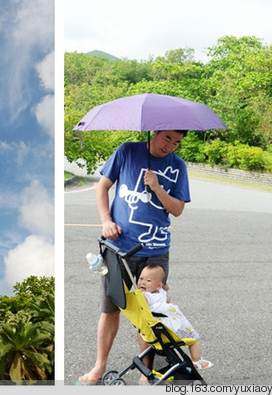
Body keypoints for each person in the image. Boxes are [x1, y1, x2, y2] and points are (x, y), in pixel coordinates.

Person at [77, 130, 191, 386]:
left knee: (148, 315)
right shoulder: (127, 151)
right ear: (156, 131)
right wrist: (106, 221)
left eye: (177, 143)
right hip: (119, 247)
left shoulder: (178, 166)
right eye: (167, 138)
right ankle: (99, 365)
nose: (170, 146)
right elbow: (103, 186)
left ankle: (145, 373)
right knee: (110, 309)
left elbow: (178, 209)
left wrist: (157, 188)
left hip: (156, 251)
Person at [137, 264, 212, 370]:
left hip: (164, 329)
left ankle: (196, 361)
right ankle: (196, 360)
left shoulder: (156, 293)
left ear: (158, 286)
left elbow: (166, 294)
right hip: (168, 330)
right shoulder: (146, 296)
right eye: (141, 278)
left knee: (193, 339)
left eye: (148, 280)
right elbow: (162, 293)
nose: (142, 283)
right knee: (193, 339)